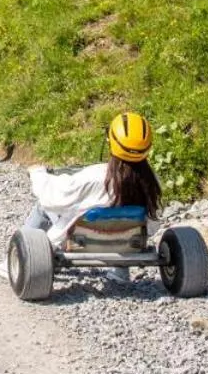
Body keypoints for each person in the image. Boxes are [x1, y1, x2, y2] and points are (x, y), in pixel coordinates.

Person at [10, 112, 162, 284]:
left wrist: (38, 173)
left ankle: (17, 258)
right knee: (124, 218)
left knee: (43, 208)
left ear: (110, 141)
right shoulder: (152, 181)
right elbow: (153, 223)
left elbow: (52, 198)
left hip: (82, 239)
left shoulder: (95, 176)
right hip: (127, 241)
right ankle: (120, 270)